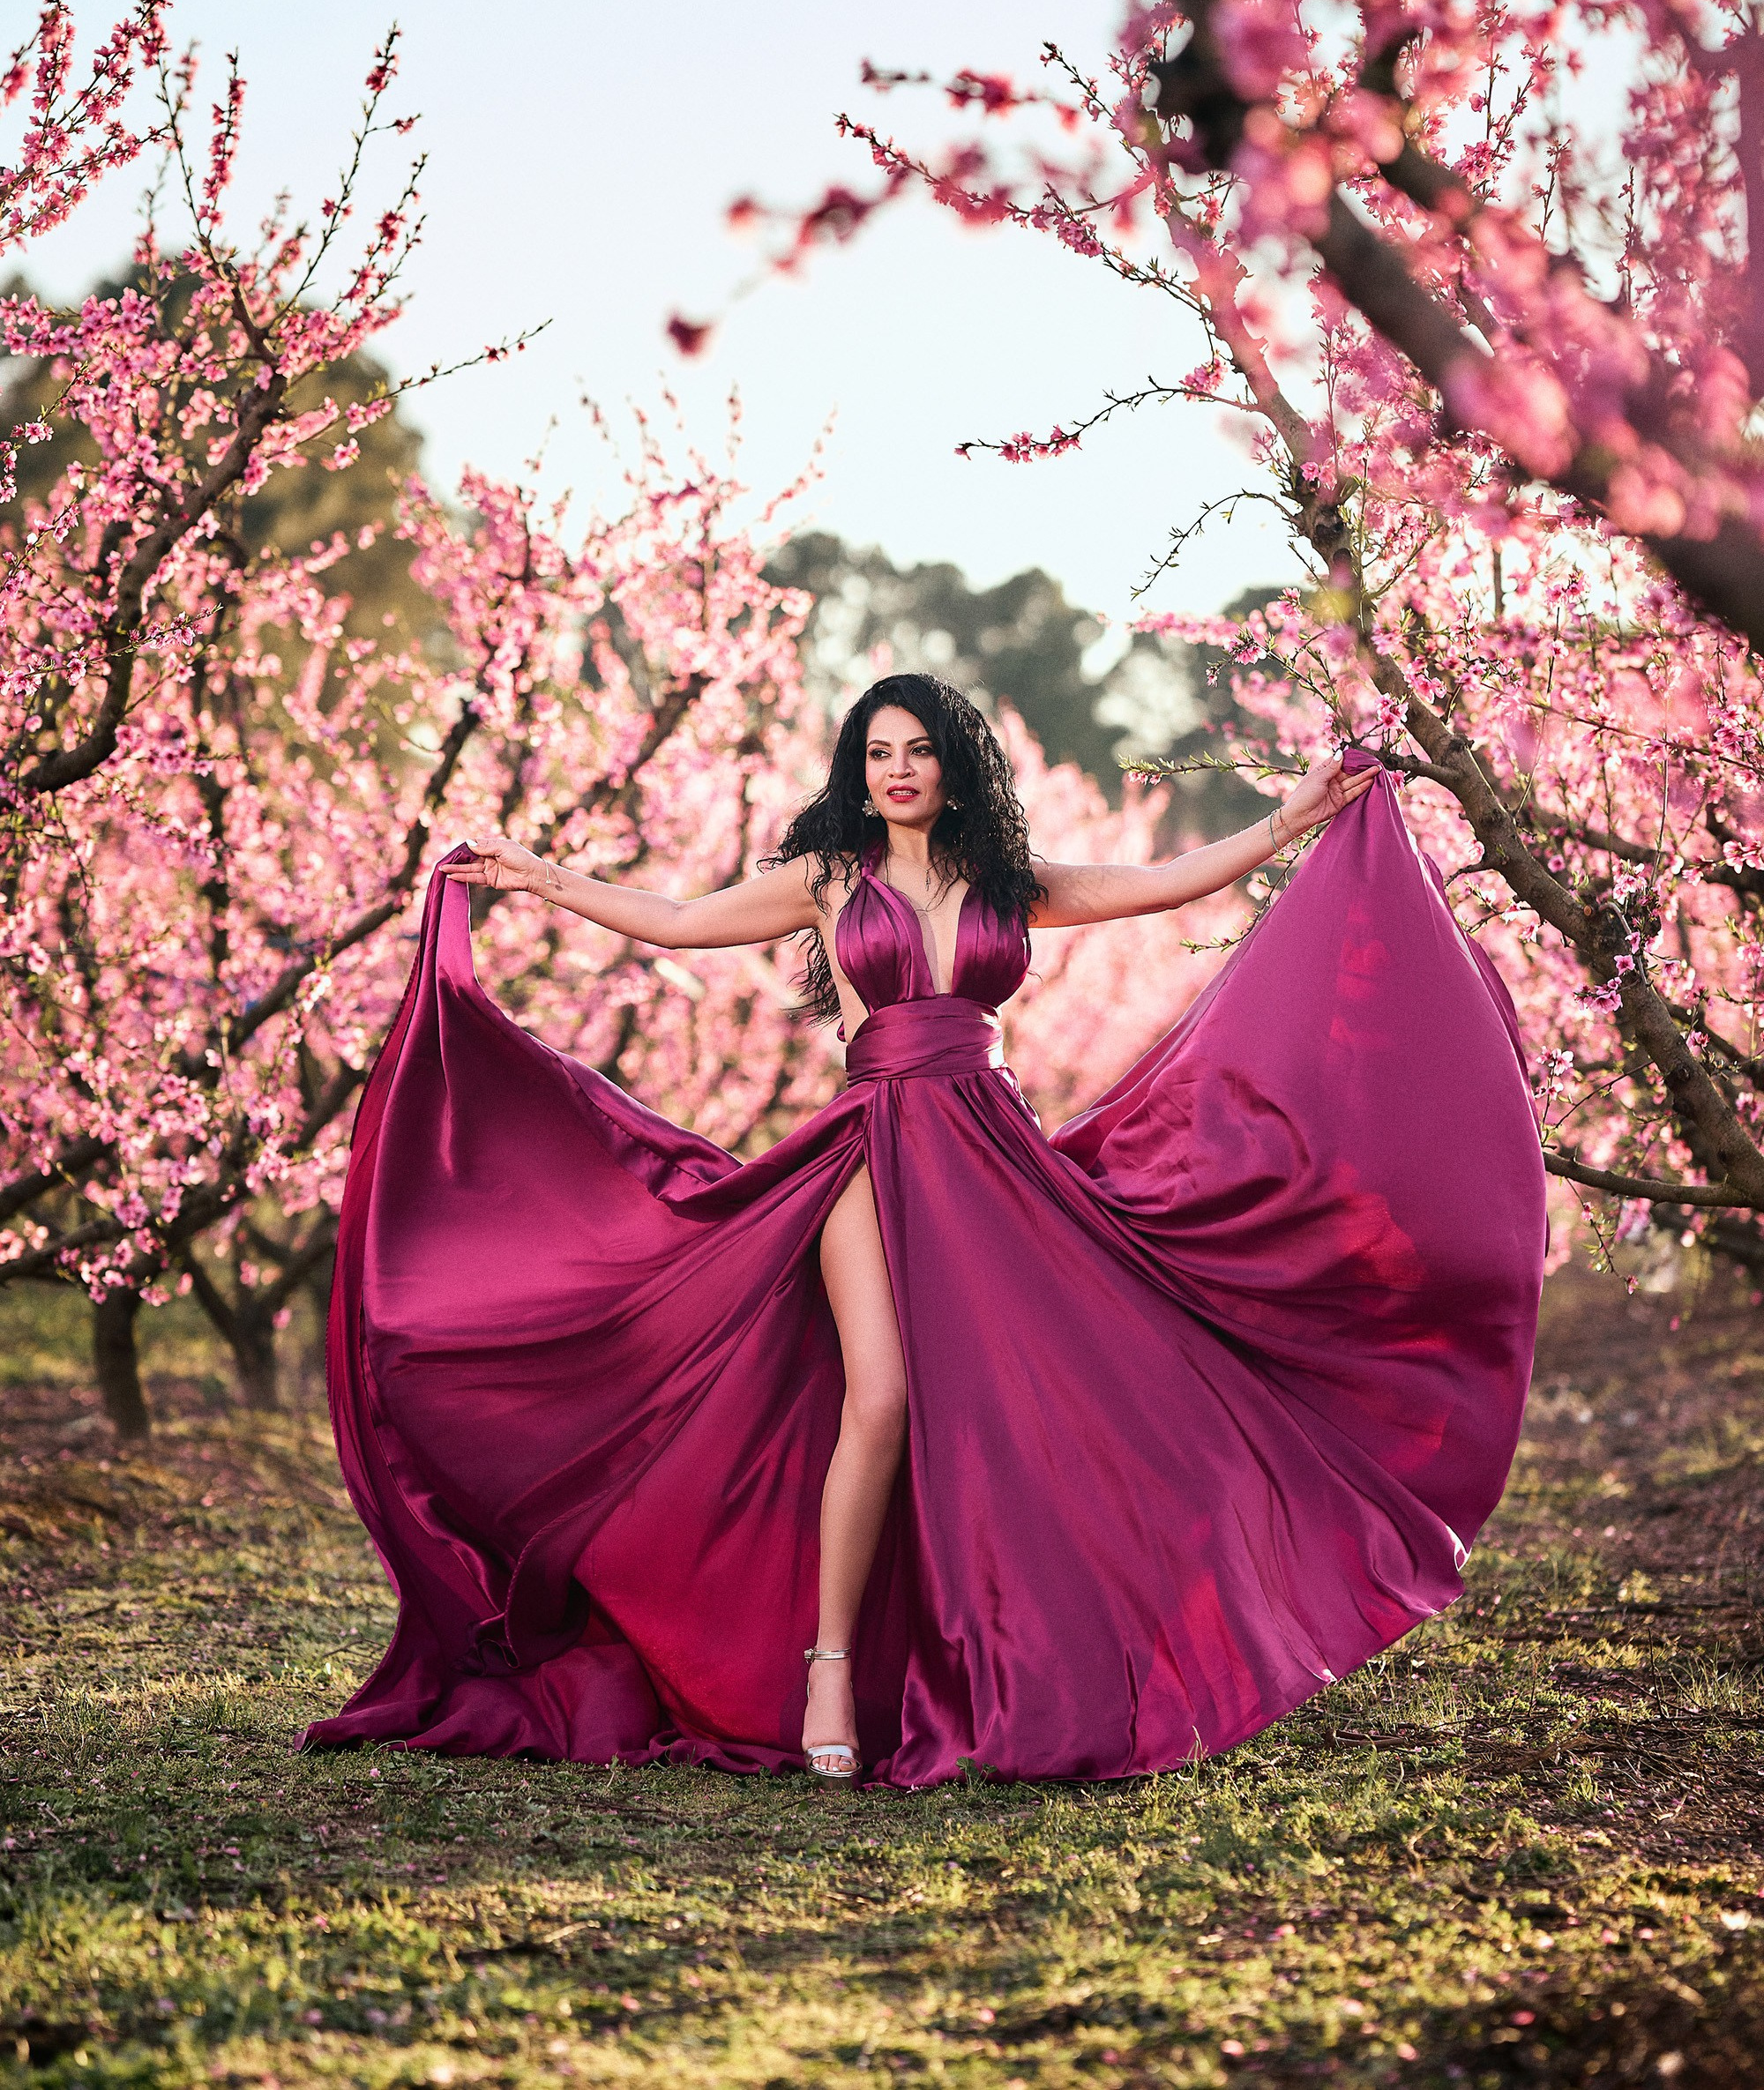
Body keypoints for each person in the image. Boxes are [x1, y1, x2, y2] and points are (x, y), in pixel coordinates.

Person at [302, 675, 1545, 1786]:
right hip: (872, 1144)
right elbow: (678, 918)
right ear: (859, 771)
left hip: (992, 1151)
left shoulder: (1012, 885)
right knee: (884, 1398)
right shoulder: (829, 879)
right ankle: (829, 1666)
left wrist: (1301, 817)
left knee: (1063, 1390)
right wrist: (531, 875)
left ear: (954, 761)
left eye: (916, 749)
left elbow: (1164, 882)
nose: (896, 769)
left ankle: (1049, 1644)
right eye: (876, 752)